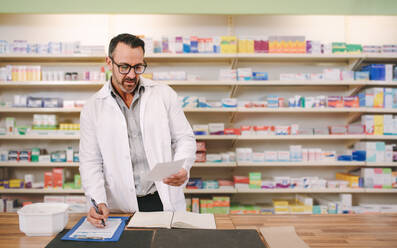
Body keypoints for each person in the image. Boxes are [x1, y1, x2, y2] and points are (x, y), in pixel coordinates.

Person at [79, 33, 196, 228]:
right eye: (124, 67)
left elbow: (185, 138)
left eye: (138, 67)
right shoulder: (93, 107)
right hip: (119, 206)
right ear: (109, 62)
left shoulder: (163, 94)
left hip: (162, 198)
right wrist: (97, 200)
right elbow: (90, 161)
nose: (132, 75)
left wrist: (183, 167)